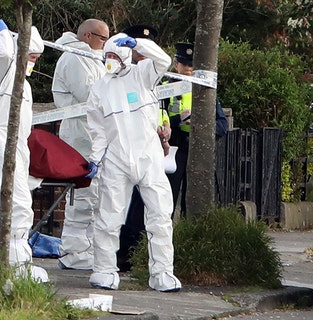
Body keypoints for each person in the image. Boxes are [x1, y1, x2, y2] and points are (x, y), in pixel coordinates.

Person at [85, 32, 181, 292]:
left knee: (160, 215)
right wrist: (95, 159)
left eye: (115, 56)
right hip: (116, 158)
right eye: (108, 56)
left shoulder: (142, 75)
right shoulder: (100, 88)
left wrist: (140, 44)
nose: (110, 61)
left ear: (126, 56)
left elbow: (163, 59)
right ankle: (104, 269)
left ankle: (162, 272)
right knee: (108, 216)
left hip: (148, 156)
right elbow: (98, 130)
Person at [0, 19, 48, 282]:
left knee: (2, 201)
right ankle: (18, 266)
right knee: (18, 202)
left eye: (37, 58)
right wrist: (5, 33)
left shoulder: (24, 86)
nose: (33, 63)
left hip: (16, 143)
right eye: (30, 56)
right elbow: (5, 53)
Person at [51, 18, 109, 270]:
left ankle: (88, 250)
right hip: (79, 133)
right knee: (82, 196)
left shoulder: (94, 58)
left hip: (93, 133)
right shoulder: (74, 58)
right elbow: (90, 94)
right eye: (102, 38)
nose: (105, 43)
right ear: (87, 36)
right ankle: (74, 252)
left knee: (96, 197)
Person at [115, 24, 172, 272]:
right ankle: (117, 259)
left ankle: (159, 268)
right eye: (137, 44)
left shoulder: (151, 73)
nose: (141, 51)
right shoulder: (116, 75)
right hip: (122, 152)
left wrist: (163, 133)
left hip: (150, 152)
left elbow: (156, 111)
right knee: (116, 213)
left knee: (158, 213)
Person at [166, 43, 229, 219]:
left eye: (192, 65)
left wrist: (203, 127)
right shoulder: (165, 88)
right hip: (172, 149)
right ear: (176, 64)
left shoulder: (204, 91)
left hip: (197, 150)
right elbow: (154, 120)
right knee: (166, 201)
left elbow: (222, 125)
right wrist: (178, 119)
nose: (188, 69)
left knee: (194, 202)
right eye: (185, 64)